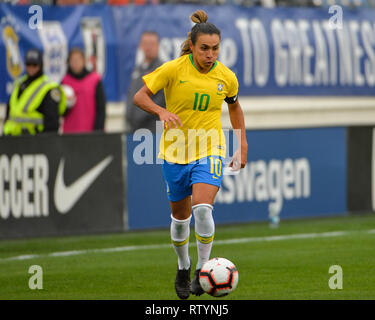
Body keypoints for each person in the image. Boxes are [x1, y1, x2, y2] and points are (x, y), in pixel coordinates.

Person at [133, 10, 248, 300]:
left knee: (202, 209)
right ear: (193, 46)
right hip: (174, 153)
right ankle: (183, 266)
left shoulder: (226, 77)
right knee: (180, 219)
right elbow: (140, 96)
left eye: (215, 49)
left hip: (210, 148)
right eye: (205, 49)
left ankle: (202, 269)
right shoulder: (173, 69)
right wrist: (161, 110)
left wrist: (241, 144)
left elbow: (234, 106)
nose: (211, 55)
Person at [3, 48, 66, 136]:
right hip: (12, 138)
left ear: (41, 66)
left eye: (35, 65)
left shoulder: (49, 88)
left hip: (34, 141)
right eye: (28, 64)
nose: (31, 68)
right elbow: (10, 112)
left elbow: (52, 123)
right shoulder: (19, 84)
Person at [126, 31, 165, 133]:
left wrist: (139, 116)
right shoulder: (137, 69)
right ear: (141, 46)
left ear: (158, 46)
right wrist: (129, 116)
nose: (148, 47)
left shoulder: (162, 70)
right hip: (134, 129)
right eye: (146, 44)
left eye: (152, 44)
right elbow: (131, 94)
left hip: (153, 129)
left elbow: (161, 99)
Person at [61, 47, 106, 133]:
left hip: (90, 132)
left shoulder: (94, 79)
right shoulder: (64, 81)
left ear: (84, 61)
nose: (76, 63)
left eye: (78, 60)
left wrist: (98, 131)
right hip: (70, 133)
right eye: (73, 60)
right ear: (69, 62)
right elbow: (60, 112)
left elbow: (101, 109)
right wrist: (66, 105)